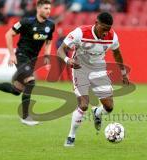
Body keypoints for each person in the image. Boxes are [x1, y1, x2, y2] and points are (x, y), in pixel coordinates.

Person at [57, 12, 129, 146]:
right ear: (96, 23)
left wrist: (123, 73)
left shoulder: (112, 36)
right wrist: (68, 60)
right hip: (80, 70)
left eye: (108, 30)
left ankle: (97, 112)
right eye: (103, 29)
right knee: (83, 105)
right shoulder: (80, 33)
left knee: (109, 107)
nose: (104, 34)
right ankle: (71, 137)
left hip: (98, 70)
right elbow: (60, 50)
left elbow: (117, 53)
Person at [0, 0, 55, 126]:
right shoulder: (26, 22)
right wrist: (11, 54)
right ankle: (25, 117)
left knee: (16, 90)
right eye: (46, 8)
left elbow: (48, 41)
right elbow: (9, 34)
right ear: (38, 8)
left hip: (32, 60)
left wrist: (47, 56)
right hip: (21, 56)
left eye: (49, 8)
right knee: (31, 82)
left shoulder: (50, 25)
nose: (49, 11)